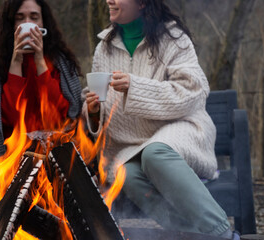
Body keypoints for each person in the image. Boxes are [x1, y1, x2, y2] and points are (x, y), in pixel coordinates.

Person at [83, 0, 239, 239]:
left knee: (155, 153)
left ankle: (223, 234)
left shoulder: (173, 38)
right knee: (127, 175)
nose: (109, 0)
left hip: (180, 129)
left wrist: (136, 87)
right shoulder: (104, 48)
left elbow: (193, 91)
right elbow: (102, 116)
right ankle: (196, 235)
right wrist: (93, 111)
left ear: (143, 3)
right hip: (130, 146)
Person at [0, 0, 82, 169]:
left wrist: (40, 61)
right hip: (8, 159)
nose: (28, 24)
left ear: (43, 24)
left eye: (34, 17)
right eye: (20, 18)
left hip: (53, 156)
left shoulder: (60, 62)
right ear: (12, 25)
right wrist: (16, 61)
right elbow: (9, 121)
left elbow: (60, 116)